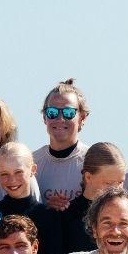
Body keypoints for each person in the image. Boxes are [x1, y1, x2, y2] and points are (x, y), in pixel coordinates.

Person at [56, 141, 127, 254]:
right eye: (108, 183)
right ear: (88, 177)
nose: (116, 190)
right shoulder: (64, 218)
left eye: (120, 182)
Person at [0, 141, 61, 254]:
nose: (12, 180)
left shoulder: (49, 216)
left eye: (18, 172)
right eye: (5, 174)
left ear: (33, 169)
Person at [33, 79, 90, 212]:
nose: (60, 118)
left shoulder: (94, 161)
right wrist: (46, 209)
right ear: (44, 117)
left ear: (82, 118)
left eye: (68, 112)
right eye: (52, 112)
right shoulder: (30, 162)